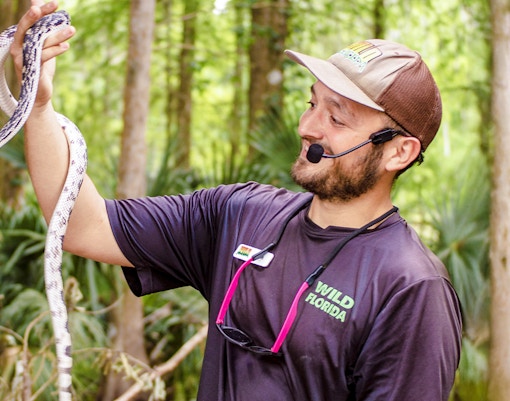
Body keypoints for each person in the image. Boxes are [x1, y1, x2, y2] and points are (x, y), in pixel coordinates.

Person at [11, 1, 462, 400]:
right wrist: (37, 105)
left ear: (399, 152)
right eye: (312, 104)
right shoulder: (241, 214)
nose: (308, 126)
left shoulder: (411, 289)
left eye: (336, 118)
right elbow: (80, 226)